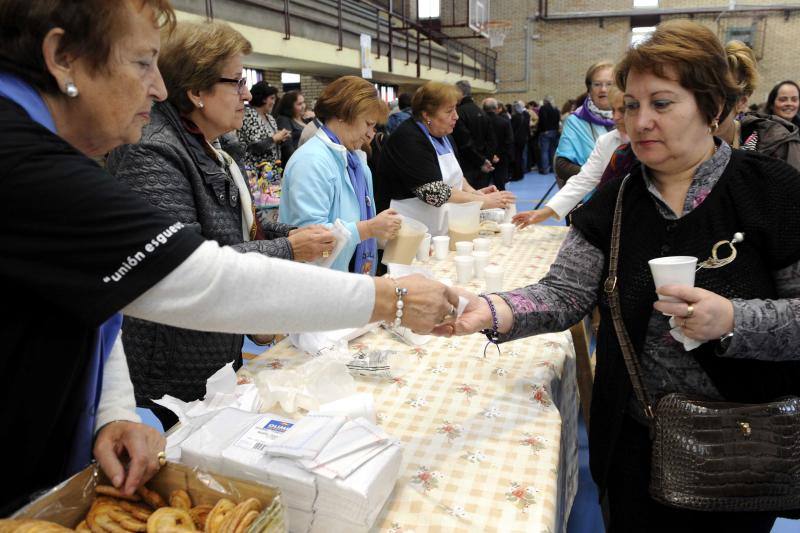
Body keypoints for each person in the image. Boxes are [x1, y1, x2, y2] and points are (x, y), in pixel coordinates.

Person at [0, 0, 458, 513]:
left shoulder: (48, 148)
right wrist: (388, 298)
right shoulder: (20, 157)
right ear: (62, 56)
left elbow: (96, 296)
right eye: (141, 62)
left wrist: (112, 412)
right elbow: (196, 277)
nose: (156, 87)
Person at [438, 20, 800, 532]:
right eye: (631, 105)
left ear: (712, 107)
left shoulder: (774, 191)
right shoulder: (616, 201)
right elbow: (564, 292)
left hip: (741, 444)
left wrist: (734, 319)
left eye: (662, 103)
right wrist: (492, 309)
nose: (640, 121)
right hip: (634, 440)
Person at [107, 21, 339, 427]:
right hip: (176, 354)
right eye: (237, 82)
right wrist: (289, 249)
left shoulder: (213, 142)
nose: (247, 95)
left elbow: (240, 220)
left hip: (218, 337)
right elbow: (184, 261)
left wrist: (291, 234)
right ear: (196, 92)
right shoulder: (154, 151)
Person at [279, 76, 401, 275]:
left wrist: (392, 235)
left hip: (349, 278)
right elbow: (310, 240)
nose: (371, 134)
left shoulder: (356, 162)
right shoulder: (311, 161)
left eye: (374, 127)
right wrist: (370, 228)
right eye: (368, 124)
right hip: (318, 284)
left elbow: (357, 226)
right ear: (343, 114)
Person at [375, 81, 515, 236]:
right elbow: (434, 193)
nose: (456, 116)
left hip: (437, 226)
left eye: (455, 109)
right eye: (449, 111)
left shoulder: (444, 136)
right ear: (426, 115)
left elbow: (457, 176)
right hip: (407, 230)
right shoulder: (408, 139)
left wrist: (475, 194)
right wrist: (483, 202)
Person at [513, 86, 627, 227]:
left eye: (622, 110)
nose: (615, 117)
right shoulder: (606, 141)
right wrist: (543, 212)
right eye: (613, 110)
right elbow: (583, 180)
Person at [719, 43, 800, 170]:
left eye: (794, 99)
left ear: (742, 102)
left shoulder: (777, 145)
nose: (789, 104)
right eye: (783, 99)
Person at [555, 60, 616, 188]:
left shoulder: (630, 117)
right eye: (597, 84)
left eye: (609, 84)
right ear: (589, 89)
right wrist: (601, 179)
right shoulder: (575, 121)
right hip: (589, 197)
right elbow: (562, 165)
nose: (603, 89)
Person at [452, 79, 496, 189]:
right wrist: (487, 160)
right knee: (483, 198)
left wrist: (481, 161)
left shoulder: (458, 113)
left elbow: (465, 142)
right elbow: (492, 141)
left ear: (459, 93)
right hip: (484, 165)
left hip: (467, 165)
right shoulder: (482, 112)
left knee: (470, 202)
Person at [237, 81, 290, 168]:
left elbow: (269, 140)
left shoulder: (270, 118)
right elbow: (255, 147)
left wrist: (282, 137)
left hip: (271, 170)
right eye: (272, 98)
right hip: (255, 170)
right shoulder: (248, 116)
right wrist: (275, 138)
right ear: (263, 98)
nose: (274, 102)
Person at [483, 97, 514, 191]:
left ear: (483, 109)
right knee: (500, 183)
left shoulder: (480, 122)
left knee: (483, 185)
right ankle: (502, 204)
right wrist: (499, 155)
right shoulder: (504, 122)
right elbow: (509, 140)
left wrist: (490, 155)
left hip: (484, 158)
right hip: (501, 157)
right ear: (496, 108)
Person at [273, 89, 307, 161]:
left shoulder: (305, 119)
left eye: (303, 102)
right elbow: (287, 147)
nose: (303, 106)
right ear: (290, 107)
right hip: (298, 161)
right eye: (299, 104)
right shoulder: (284, 120)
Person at [537, 96, 561, 174]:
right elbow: (558, 120)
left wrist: (544, 130)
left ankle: (545, 169)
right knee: (553, 151)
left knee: (544, 151)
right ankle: (553, 168)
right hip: (554, 131)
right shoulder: (556, 108)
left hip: (546, 132)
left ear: (545, 101)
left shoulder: (543, 108)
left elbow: (542, 120)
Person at [510, 100, 530, 181]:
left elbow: (512, 129)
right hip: (523, 139)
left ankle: (516, 175)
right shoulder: (523, 116)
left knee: (516, 158)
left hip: (516, 140)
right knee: (520, 157)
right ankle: (520, 174)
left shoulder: (515, 117)